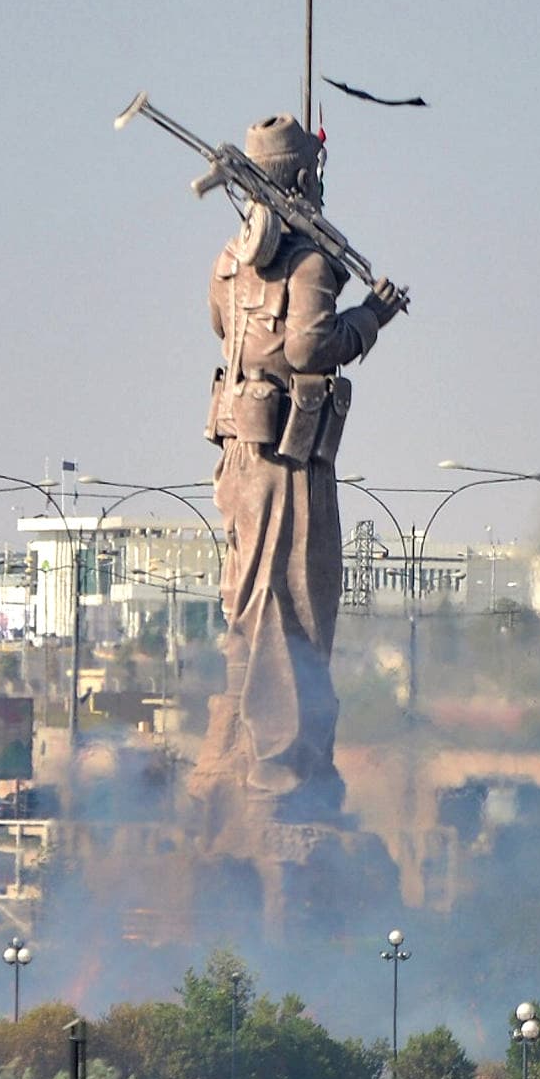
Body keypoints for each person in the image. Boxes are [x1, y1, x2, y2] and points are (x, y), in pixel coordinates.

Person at [191, 114, 406, 823]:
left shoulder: (231, 259)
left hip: (239, 457)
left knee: (250, 595)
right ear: (306, 178)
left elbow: (225, 327)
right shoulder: (310, 265)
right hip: (287, 462)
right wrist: (371, 318)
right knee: (294, 604)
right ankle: (281, 769)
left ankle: (254, 750)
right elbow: (311, 348)